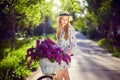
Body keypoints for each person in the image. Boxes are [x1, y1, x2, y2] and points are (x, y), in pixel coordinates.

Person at [56, 11, 76, 80]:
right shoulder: (60, 28)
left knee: (58, 78)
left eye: (66, 19)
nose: (65, 21)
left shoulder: (70, 28)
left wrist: (69, 52)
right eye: (63, 19)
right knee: (66, 76)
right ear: (60, 19)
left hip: (65, 57)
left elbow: (73, 43)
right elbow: (58, 43)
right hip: (59, 55)